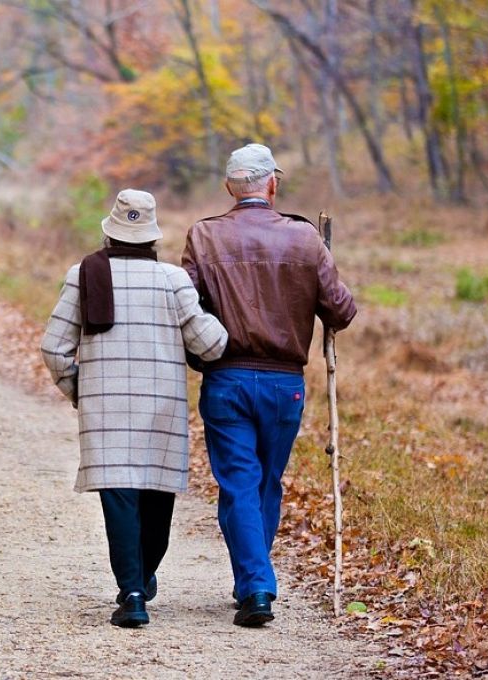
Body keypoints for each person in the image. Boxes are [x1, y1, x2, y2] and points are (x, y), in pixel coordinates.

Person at [181, 143, 357, 627]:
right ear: (272, 184)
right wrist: (321, 264)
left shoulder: (203, 236)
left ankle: (254, 584)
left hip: (227, 377)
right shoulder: (304, 239)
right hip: (285, 385)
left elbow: (183, 305)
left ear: (229, 188)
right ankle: (255, 583)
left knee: (239, 482)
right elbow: (342, 311)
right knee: (264, 482)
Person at [40, 189, 228, 628]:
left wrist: (79, 389)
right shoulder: (173, 280)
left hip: (105, 411)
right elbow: (211, 345)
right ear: (152, 238)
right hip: (161, 407)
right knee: (156, 499)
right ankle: (142, 578)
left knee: (119, 497)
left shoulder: (83, 275)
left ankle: (133, 592)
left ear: (109, 233)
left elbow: (54, 348)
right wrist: (218, 316)